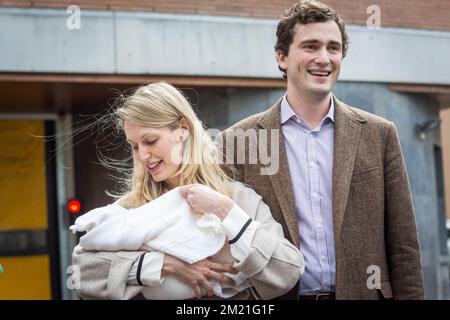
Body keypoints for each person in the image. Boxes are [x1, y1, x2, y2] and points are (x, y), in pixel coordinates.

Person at [220, 0, 425, 300]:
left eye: (333, 48)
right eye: (311, 46)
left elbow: (404, 245)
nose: (324, 58)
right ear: (282, 57)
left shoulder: (380, 134)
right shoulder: (237, 141)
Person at [71, 81, 304, 300]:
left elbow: (288, 272)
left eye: (150, 141)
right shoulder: (133, 207)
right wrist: (163, 264)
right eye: (134, 146)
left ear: (182, 129)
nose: (142, 156)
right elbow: (82, 274)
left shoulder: (236, 198)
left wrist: (226, 212)